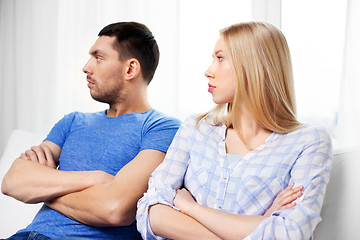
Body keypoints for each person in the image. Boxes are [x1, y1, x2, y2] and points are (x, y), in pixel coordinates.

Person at [136, 22, 332, 240]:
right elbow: (150, 212)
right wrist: (259, 223)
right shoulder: (195, 128)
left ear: (257, 66)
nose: (208, 71)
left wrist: (190, 208)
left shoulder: (308, 141)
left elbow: (289, 233)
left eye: (220, 58)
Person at [1, 22, 181, 240]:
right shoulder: (73, 121)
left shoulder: (162, 128)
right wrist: (96, 179)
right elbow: (12, 182)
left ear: (130, 69)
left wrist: (43, 190)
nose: (86, 67)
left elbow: (115, 209)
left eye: (99, 57)